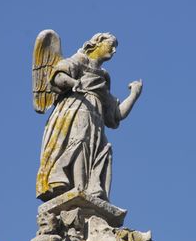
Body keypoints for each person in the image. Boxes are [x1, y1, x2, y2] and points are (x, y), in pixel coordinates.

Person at [36, 32, 142, 202]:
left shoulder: (103, 77)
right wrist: (73, 83)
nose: (114, 50)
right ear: (98, 43)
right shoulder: (80, 60)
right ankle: (75, 185)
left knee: (98, 149)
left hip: (96, 117)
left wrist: (134, 95)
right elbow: (57, 77)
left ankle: (91, 187)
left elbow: (116, 114)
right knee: (80, 141)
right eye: (111, 45)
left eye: (116, 48)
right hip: (77, 108)